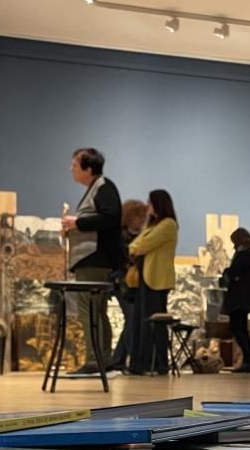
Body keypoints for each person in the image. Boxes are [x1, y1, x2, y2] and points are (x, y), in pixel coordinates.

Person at [61, 147, 122, 376]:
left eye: (75, 166)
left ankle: (94, 360)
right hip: (93, 259)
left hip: (93, 259)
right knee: (97, 311)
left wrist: (77, 223)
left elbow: (110, 217)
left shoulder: (104, 187)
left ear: (88, 169)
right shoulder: (99, 188)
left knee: (89, 311)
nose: (71, 170)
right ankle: (102, 358)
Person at [128, 190, 178, 375]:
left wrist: (138, 247)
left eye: (150, 202)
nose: (147, 206)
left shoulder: (168, 224)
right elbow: (134, 246)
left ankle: (157, 363)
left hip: (157, 280)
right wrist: (138, 247)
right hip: (145, 279)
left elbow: (142, 245)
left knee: (153, 324)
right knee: (141, 323)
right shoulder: (153, 224)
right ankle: (142, 364)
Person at [108, 198, 148, 375]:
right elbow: (121, 259)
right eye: (139, 217)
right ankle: (128, 359)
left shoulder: (137, 236)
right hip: (121, 282)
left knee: (130, 320)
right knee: (131, 318)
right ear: (130, 216)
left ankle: (118, 360)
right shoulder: (119, 235)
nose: (142, 221)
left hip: (131, 282)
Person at [221, 228, 250, 372]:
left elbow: (234, 271)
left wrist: (227, 273)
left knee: (236, 327)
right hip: (246, 294)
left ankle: (248, 358)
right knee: (242, 327)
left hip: (238, 295)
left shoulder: (244, 254)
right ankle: (247, 360)